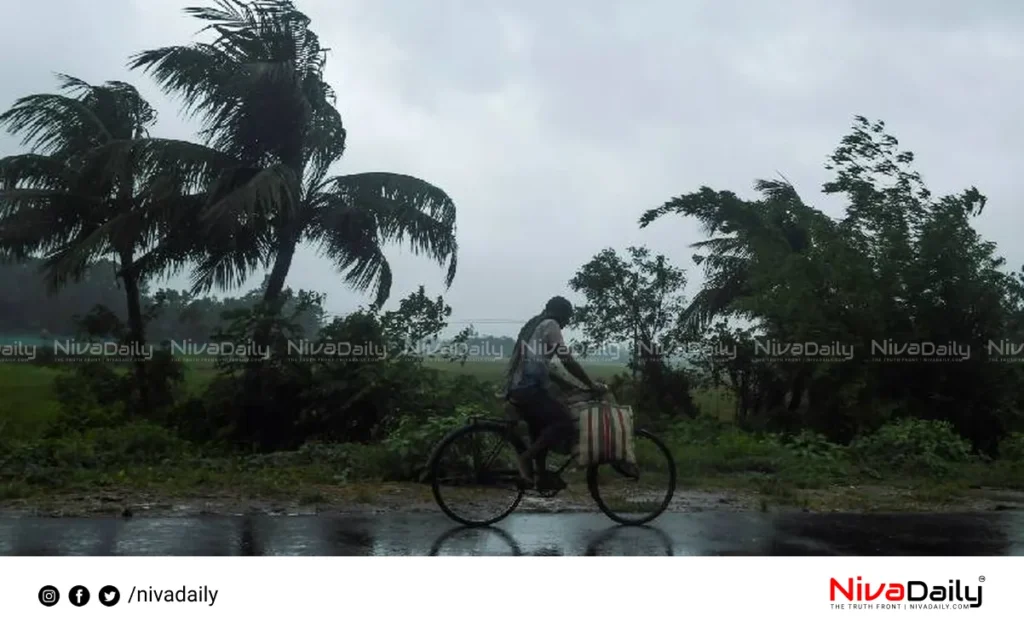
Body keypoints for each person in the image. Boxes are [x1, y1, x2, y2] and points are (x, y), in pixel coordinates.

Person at [504, 296, 605, 490]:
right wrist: (590, 384)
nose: (567, 323)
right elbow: (566, 359)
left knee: (541, 429)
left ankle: (540, 477)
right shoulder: (551, 325)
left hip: (517, 387)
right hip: (528, 388)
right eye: (567, 318)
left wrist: (570, 385)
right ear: (561, 314)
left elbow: (544, 366)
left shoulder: (534, 325)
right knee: (563, 422)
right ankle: (525, 459)